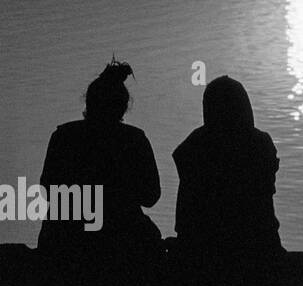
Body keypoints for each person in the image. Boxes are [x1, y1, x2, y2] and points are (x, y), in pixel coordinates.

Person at [38, 60, 162, 251]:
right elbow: (151, 196)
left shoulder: (63, 136)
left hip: (65, 235)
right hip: (122, 235)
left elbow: (47, 189)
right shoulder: (135, 139)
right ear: (122, 106)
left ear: (89, 102)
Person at [172, 76, 282, 253]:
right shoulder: (260, 144)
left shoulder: (192, 146)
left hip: (201, 247)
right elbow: (265, 196)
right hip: (258, 243)